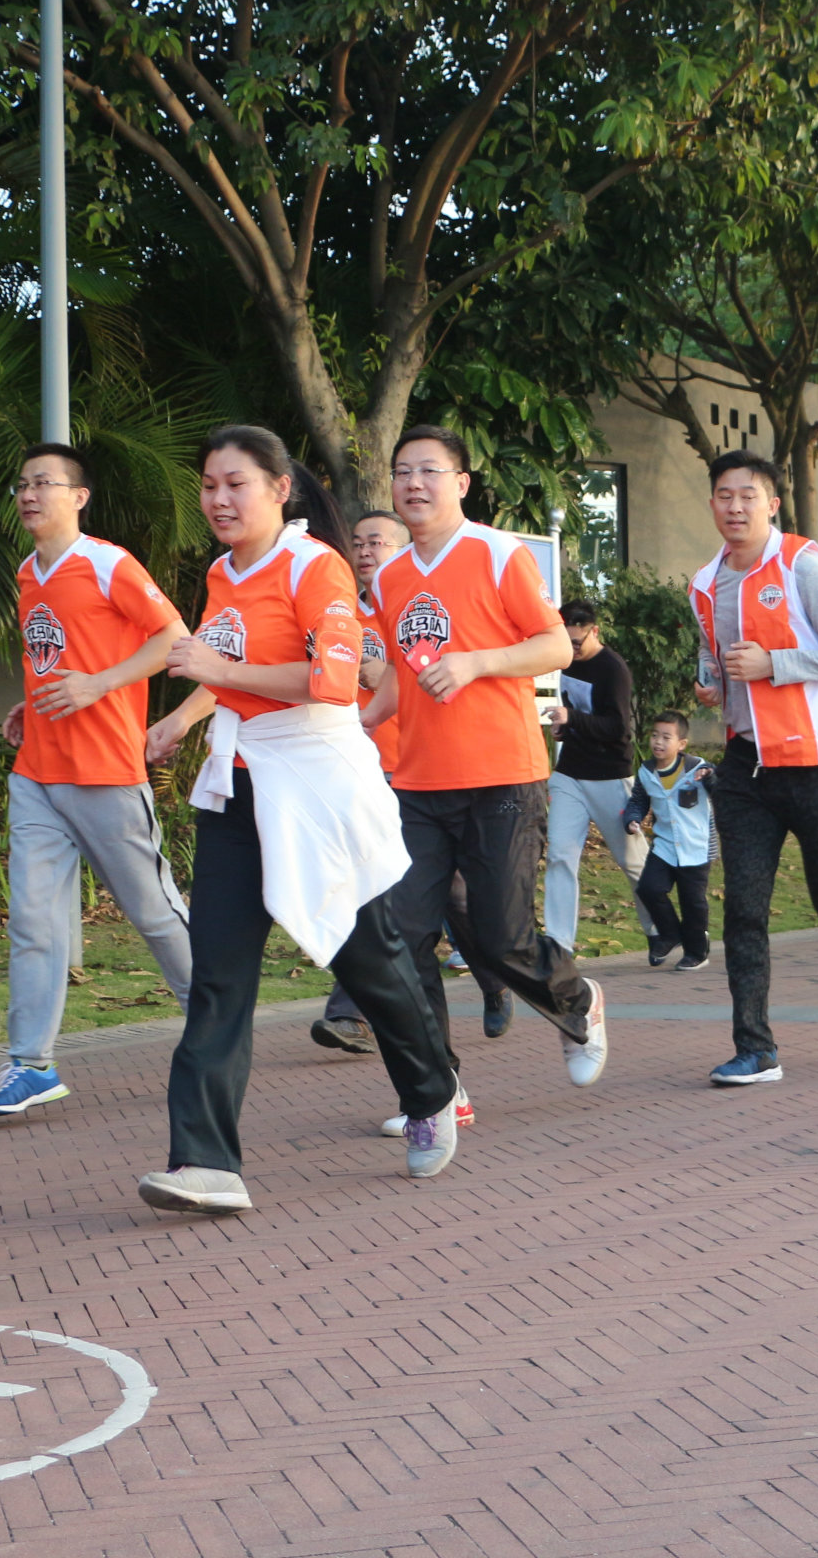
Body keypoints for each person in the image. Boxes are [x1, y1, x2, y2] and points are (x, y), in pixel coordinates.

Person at [140, 428, 459, 1211]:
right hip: (238, 787)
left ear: (279, 490)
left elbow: (333, 679)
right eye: (209, 485)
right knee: (218, 977)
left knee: (367, 959)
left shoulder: (315, 566)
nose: (219, 499)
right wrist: (185, 716)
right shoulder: (222, 572)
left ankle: (431, 1090)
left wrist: (219, 670)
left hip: (316, 787)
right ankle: (205, 1163)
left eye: (235, 484)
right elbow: (227, 673)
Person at [364, 425, 608, 1111]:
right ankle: (439, 1089)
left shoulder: (498, 553)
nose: (414, 483)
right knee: (404, 938)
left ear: (461, 483)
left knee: (501, 938)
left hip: (502, 776)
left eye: (430, 470)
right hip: (418, 783)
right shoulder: (388, 576)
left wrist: (477, 663)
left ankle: (578, 1001)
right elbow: (402, 674)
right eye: (402, 471)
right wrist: (360, 722)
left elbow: (554, 645)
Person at [0, 443, 194, 1119]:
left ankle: (217, 1020)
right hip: (38, 773)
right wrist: (32, 701)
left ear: (79, 497)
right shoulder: (27, 572)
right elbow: (54, 656)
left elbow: (174, 639)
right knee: (34, 923)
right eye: (22, 483)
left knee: (153, 912)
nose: (28, 493)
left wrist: (99, 684)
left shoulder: (107, 563)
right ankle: (31, 1064)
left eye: (44, 482)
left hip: (105, 772)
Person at [690, 450, 818, 1086]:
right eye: (724, 495)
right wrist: (711, 683)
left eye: (748, 496)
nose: (735, 507)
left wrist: (773, 666)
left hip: (817, 764)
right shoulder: (704, 583)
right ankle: (755, 1048)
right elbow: (711, 656)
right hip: (746, 768)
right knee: (743, 911)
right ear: (712, 504)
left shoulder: (801, 562)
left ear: (772, 504)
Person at [311, 508, 406, 1055]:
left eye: (377, 542)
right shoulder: (339, 608)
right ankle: (349, 1013)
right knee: (365, 888)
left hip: (414, 768)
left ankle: (494, 975)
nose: (365, 551)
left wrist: (387, 674)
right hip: (354, 768)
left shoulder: (415, 609)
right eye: (359, 542)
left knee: (452, 899)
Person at [543, 597, 654, 966]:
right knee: (559, 855)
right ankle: (558, 943)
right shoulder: (564, 661)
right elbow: (576, 715)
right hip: (569, 774)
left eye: (577, 643)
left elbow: (618, 728)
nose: (572, 650)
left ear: (595, 632)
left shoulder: (613, 669)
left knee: (633, 861)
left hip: (610, 776)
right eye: (566, 642)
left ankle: (660, 929)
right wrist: (564, 729)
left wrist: (573, 718)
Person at [623, 712, 715, 972]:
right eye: (654, 735)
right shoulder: (646, 771)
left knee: (692, 903)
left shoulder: (698, 768)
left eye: (666, 737)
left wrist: (710, 778)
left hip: (696, 846)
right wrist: (632, 819)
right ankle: (670, 934)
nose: (658, 742)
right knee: (648, 888)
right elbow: (639, 800)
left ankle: (696, 953)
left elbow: (720, 788)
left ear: (681, 744)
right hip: (664, 845)